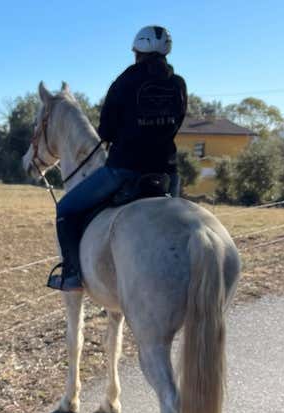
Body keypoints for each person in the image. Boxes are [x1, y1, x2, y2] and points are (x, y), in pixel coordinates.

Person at [47, 25, 187, 291]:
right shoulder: (178, 84)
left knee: (65, 210)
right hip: (167, 173)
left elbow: (107, 130)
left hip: (125, 169)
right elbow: (177, 122)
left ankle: (72, 274)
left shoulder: (125, 81)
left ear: (137, 52)